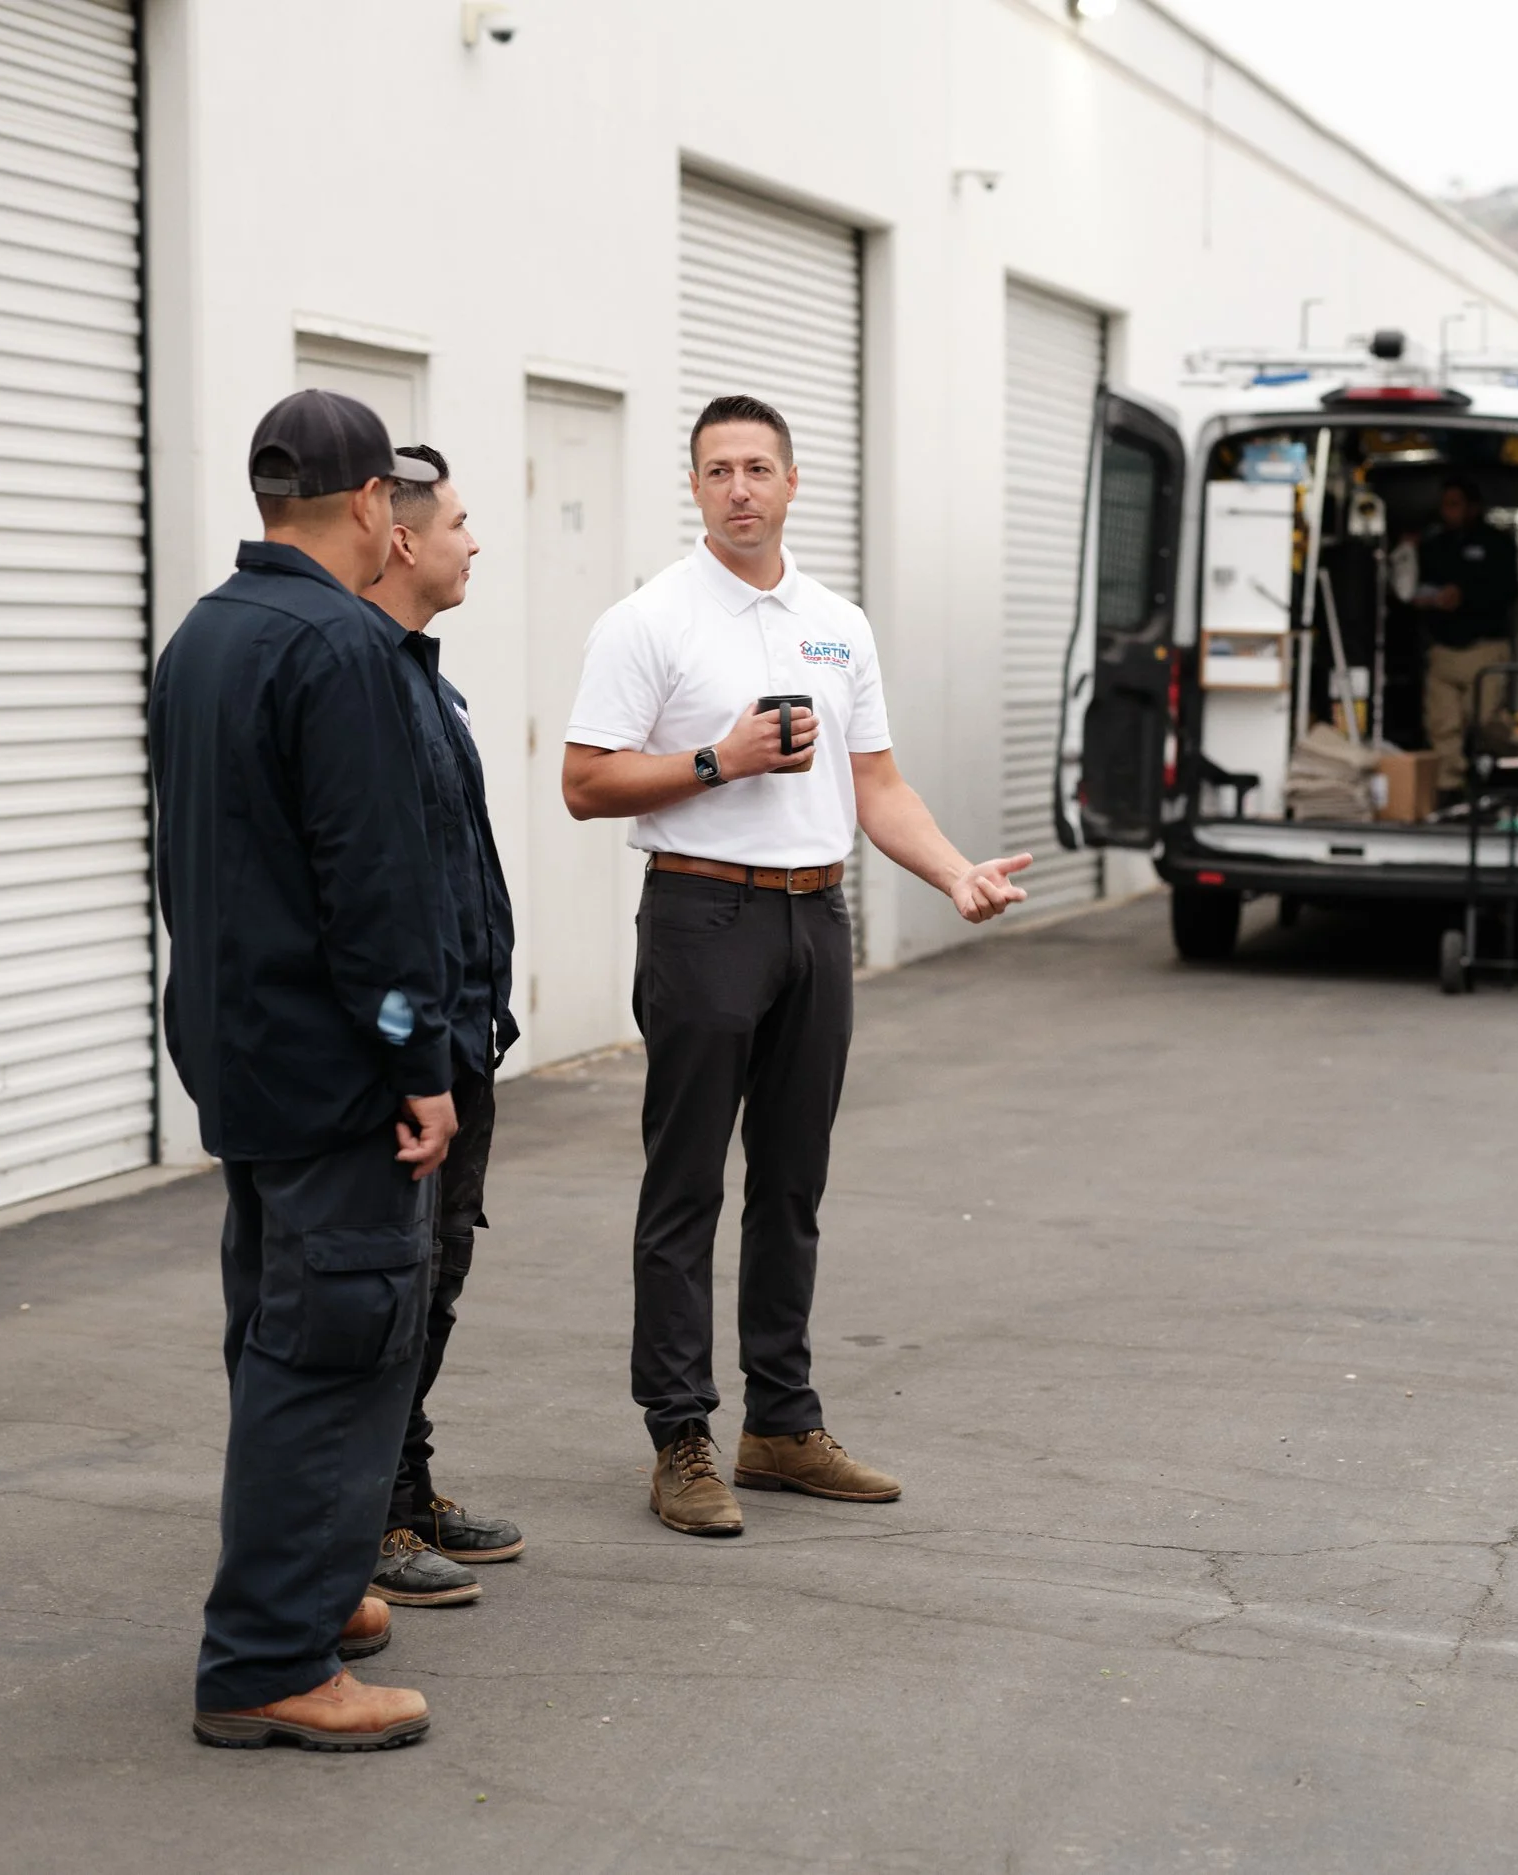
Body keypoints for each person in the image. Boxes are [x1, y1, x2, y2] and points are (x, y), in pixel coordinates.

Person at [562, 393, 1031, 1538]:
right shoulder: (649, 620)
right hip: (701, 915)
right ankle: (680, 1436)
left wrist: (952, 871)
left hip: (815, 923)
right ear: (695, 487)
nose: (738, 488)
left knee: (790, 1186)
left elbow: (875, 785)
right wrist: (717, 762)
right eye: (717, 469)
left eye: (757, 467)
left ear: (790, 481)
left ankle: (780, 1424)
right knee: (685, 1189)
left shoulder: (837, 623)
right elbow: (585, 782)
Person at [151, 389, 453, 1752]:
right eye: (403, 498)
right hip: (334, 1070)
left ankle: (313, 1596)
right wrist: (421, 1061)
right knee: (334, 1353)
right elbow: (373, 887)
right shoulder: (341, 647)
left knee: (279, 1336)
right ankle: (270, 1657)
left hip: (244, 1055)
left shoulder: (206, 633)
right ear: (370, 505)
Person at [362, 444, 526, 1609]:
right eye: (462, 523)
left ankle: (406, 1491)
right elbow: (371, 897)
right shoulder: (363, 681)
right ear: (406, 539)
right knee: (386, 1291)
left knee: (438, 1278)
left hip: (463, 1040)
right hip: (408, 1058)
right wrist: (408, 1050)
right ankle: (363, 1523)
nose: (477, 542)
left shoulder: (424, 674)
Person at [1410, 476, 1518, 793]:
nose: (1448, 511)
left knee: (1486, 720)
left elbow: (1509, 592)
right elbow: (1412, 586)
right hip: (1443, 648)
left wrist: (1465, 595)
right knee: (1442, 725)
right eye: (1444, 505)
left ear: (1474, 507)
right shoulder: (1433, 544)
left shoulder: (1497, 544)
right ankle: (1450, 792)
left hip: (1485, 646)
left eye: (1455, 504)